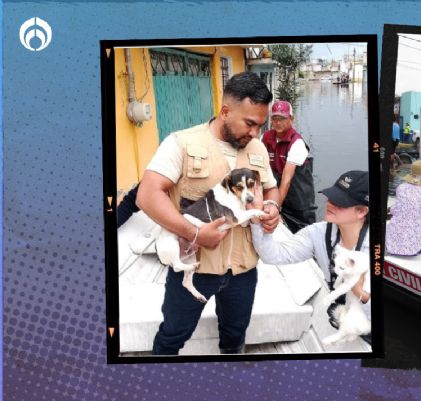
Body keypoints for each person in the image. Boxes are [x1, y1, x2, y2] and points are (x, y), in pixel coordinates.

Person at [136, 72, 281, 355]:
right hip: (195, 267)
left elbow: (271, 189)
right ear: (226, 111)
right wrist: (196, 233)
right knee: (173, 335)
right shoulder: (181, 143)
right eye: (249, 123)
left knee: (235, 335)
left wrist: (273, 207)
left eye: (260, 125)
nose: (254, 133)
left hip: (243, 269)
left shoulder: (258, 149)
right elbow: (147, 194)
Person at [250, 170, 372, 343]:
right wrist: (257, 219)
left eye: (340, 202)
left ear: (361, 212)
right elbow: (272, 256)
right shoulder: (318, 233)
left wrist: (360, 293)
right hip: (343, 318)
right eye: (331, 197)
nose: (330, 203)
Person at [261, 100, 317, 233]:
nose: (278, 122)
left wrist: (275, 208)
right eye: (275, 118)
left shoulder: (296, 143)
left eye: (282, 118)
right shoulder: (265, 137)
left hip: (298, 201)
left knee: (304, 237)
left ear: (291, 118)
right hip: (276, 194)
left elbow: (286, 179)